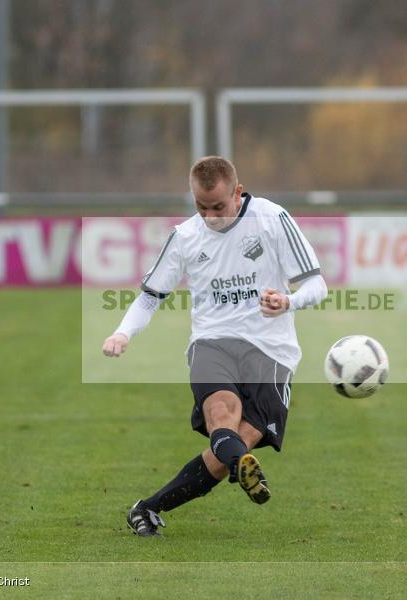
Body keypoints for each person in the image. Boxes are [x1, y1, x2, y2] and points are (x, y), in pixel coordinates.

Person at [103, 156, 328, 536]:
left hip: (272, 351)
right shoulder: (186, 237)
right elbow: (151, 295)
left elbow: (317, 285)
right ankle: (242, 464)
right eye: (201, 207)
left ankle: (148, 508)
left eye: (218, 206)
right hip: (212, 342)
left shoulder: (272, 219)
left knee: (230, 451)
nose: (209, 216)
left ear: (238, 193)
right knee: (222, 418)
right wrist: (122, 332)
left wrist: (288, 302)